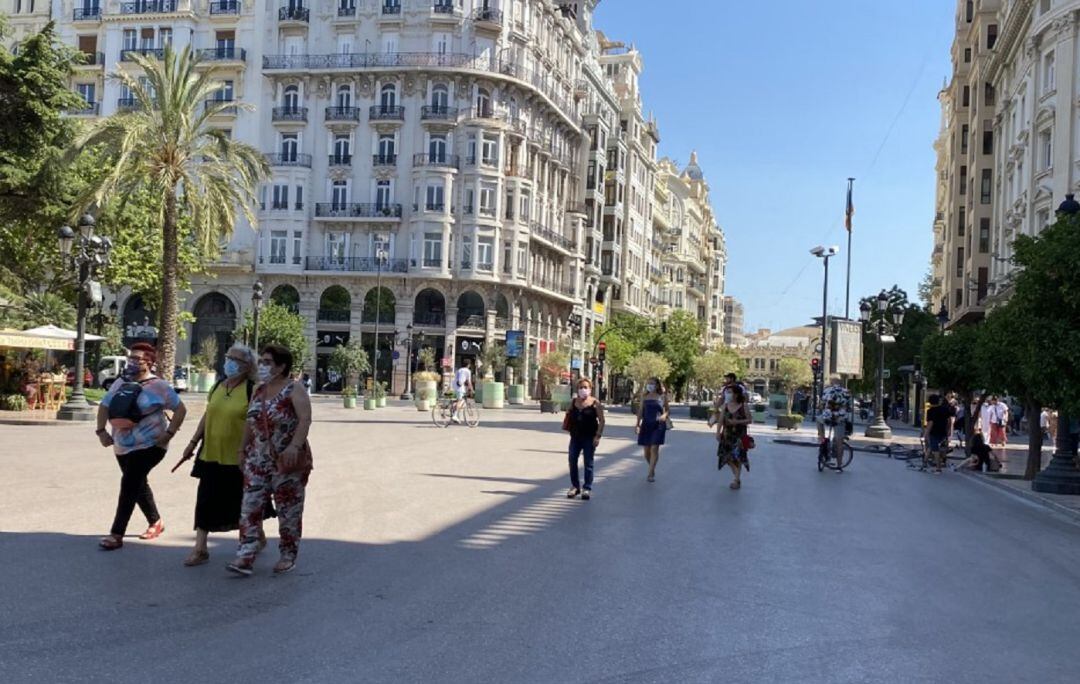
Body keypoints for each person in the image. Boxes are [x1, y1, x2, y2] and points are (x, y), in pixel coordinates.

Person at [227, 344, 313, 577]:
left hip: (286, 460)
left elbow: (305, 419)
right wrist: (242, 449)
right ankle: (245, 554)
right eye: (262, 361)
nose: (263, 366)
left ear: (281, 366)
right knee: (250, 507)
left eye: (268, 362)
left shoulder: (294, 389)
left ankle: (288, 554)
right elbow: (250, 420)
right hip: (257, 459)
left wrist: (295, 446)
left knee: (288, 510)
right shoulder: (259, 389)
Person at [173, 344, 262, 567]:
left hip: (239, 457)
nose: (229, 362)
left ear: (247, 366)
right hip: (211, 453)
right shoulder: (218, 387)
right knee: (205, 499)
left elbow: (255, 423)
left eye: (235, 360)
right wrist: (193, 442)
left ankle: (255, 537)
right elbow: (207, 415)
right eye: (228, 357)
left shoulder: (253, 389)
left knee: (241, 503)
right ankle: (200, 548)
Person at [94, 342, 187, 551]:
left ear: (150, 362)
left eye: (137, 359)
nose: (132, 362)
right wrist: (101, 432)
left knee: (129, 484)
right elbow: (104, 406)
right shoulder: (120, 382)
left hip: (150, 445)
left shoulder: (160, 386)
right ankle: (156, 522)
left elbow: (180, 410)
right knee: (137, 483)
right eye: (130, 358)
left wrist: (169, 434)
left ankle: (116, 533)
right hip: (122, 445)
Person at [565, 378, 605, 500]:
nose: (583, 389)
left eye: (585, 387)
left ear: (590, 389)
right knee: (572, 460)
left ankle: (586, 488)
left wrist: (598, 436)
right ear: (577, 389)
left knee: (588, 463)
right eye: (581, 387)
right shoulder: (573, 402)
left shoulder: (595, 403)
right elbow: (569, 415)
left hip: (589, 437)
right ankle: (575, 486)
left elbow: (602, 420)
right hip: (575, 437)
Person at [714, 383, 752, 489]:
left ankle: (736, 479)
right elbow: (721, 420)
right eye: (727, 392)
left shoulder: (743, 405)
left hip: (739, 436)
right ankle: (737, 476)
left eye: (730, 392)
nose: (727, 394)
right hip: (727, 435)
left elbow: (750, 420)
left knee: (738, 457)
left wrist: (737, 421)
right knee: (726, 457)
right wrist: (718, 433)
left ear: (736, 394)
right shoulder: (725, 406)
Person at [635, 377, 669, 482]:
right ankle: (652, 467)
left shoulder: (662, 397)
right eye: (648, 383)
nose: (650, 385)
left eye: (652, 383)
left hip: (658, 425)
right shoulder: (644, 397)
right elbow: (640, 410)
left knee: (654, 448)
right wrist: (637, 424)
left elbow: (667, 410)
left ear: (657, 385)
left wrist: (664, 415)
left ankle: (650, 474)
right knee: (646, 452)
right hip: (646, 424)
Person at [819, 376, 852, 471]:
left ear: (831, 382)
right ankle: (839, 466)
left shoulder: (827, 390)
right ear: (840, 382)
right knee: (839, 443)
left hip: (827, 418)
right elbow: (849, 408)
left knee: (818, 421)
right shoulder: (846, 392)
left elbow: (821, 404)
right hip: (839, 419)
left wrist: (825, 409)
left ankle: (822, 438)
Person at [923, 394, 954, 474]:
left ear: (930, 402)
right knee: (931, 446)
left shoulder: (930, 411)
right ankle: (925, 462)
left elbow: (930, 423)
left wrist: (926, 434)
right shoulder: (944, 409)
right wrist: (949, 430)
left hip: (934, 432)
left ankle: (938, 468)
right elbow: (949, 420)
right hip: (943, 431)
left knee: (935, 450)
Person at [451, 359, 473, 424]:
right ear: (468, 365)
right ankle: (454, 415)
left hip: (455, 385)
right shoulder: (468, 371)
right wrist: (471, 389)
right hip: (459, 387)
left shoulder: (459, 370)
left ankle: (454, 411)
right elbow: (469, 382)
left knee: (458, 401)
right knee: (460, 400)